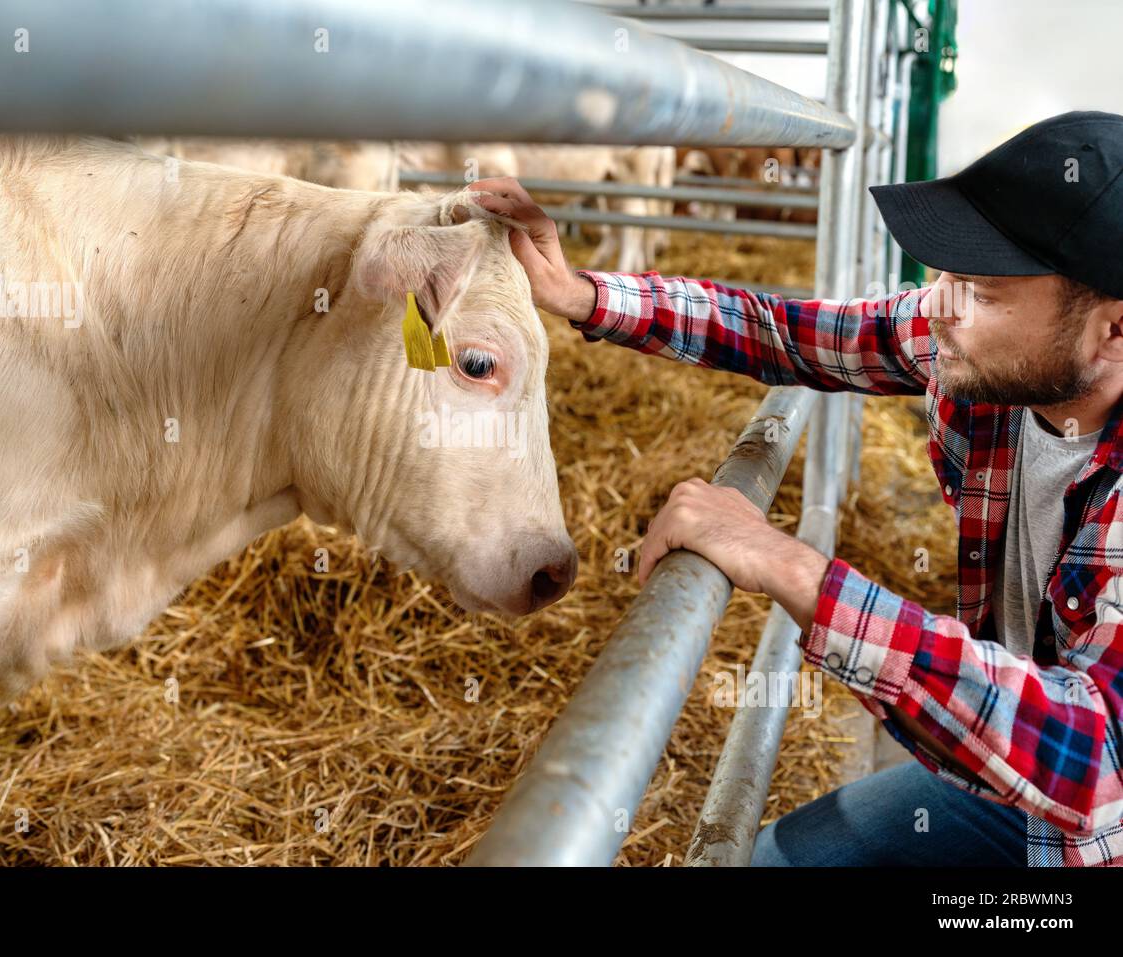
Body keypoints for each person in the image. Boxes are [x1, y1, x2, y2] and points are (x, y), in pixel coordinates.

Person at [469, 111, 1123, 866]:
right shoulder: (985, 351)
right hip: (1015, 777)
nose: (935, 303)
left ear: (1111, 332)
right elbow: (785, 332)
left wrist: (792, 568)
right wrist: (582, 293)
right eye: (946, 270)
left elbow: (1097, 756)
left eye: (980, 287)